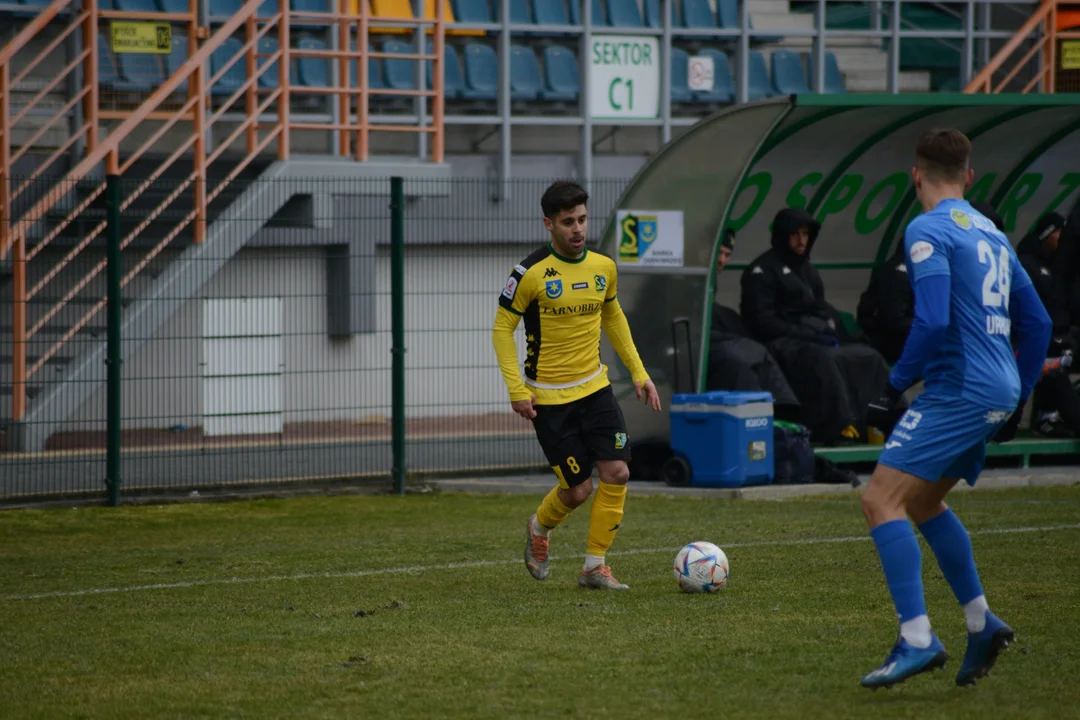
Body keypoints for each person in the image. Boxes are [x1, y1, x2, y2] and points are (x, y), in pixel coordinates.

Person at [859, 129, 1051, 689]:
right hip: (997, 387)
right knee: (920, 502)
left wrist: (893, 386)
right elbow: (1036, 322)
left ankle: (918, 638)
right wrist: (1021, 390)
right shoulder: (992, 232)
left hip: (960, 387)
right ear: (969, 177)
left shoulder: (926, 229)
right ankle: (980, 620)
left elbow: (934, 320)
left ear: (914, 175)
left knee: (878, 500)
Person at [491, 180, 662, 592]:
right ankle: (539, 526)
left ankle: (594, 567)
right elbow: (502, 328)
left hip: (595, 388)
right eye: (568, 222)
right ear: (549, 224)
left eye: (582, 219)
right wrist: (517, 388)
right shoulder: (529, 273)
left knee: (617, 471)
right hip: (549, 399)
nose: (578, 229)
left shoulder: (603, 266)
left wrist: (639, 372)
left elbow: (614, 318)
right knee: (578, 490)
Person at [740, 207, 891, 444]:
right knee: (824, 359)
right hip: (780, 343)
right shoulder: (762, 271)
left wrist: (836, 331)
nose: (802, 241)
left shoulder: (807, 270)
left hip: (811, 338)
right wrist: (806, 334)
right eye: (796, 234)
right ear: (783, 234)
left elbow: (820, 308)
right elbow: (762, 321)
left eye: (806, 234)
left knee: (868, 356)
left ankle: (885, 423)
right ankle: (840, 427)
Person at [707, 228, 801, 417]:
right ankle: (756, 418)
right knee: (736, 360)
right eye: (719, 253)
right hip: (688, 339)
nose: (722, 260)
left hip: (713, 333)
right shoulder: (690, 275)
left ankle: (784, 411)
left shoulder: (710, 279)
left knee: (758, 350)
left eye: (727, 255)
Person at [1015, 211, 1080, 437]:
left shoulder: (1058, 266)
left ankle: (1050, 415)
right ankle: (1047, 417)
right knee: (1053, 364)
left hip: (1055, 336)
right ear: (1047, 234)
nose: (1063, 238)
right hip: (1029, 340)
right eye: (1059, 232)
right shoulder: (1026, 264)